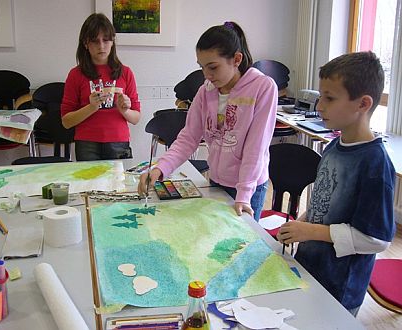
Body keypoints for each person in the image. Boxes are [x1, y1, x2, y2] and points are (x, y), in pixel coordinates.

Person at [277, 51, 396, 316]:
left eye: (330, 98)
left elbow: (376, 239)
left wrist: (310, 231)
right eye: (321, 96)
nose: (319, 106)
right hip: (310, 269)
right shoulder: (333, 146)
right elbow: (323, 201)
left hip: (340, 287)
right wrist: (301, 224)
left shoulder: (375, 164)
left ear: (363, 104)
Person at [138, 21, 277, 220]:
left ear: (236, 59)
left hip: (248, 187)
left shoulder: (263, 87)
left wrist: (244, 195)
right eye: (202, 67)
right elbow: (188, 138)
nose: (207, 75)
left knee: (242, 245)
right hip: (218, 180)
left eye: (213, 67)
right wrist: (160, 168)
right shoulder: (206, 91)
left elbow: (256, 147)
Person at [61, 13, 140, 160]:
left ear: (112, 42)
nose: (101, 46)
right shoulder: (76, 74)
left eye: (106, 40)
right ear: (86, 43)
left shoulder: (125, 72)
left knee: (119, 183)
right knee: (89, 183)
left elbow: (136, 118)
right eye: (95, 41)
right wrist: (91, 107)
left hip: (118, 141)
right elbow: (66, 121)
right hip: (87, 143)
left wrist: (125, 110)